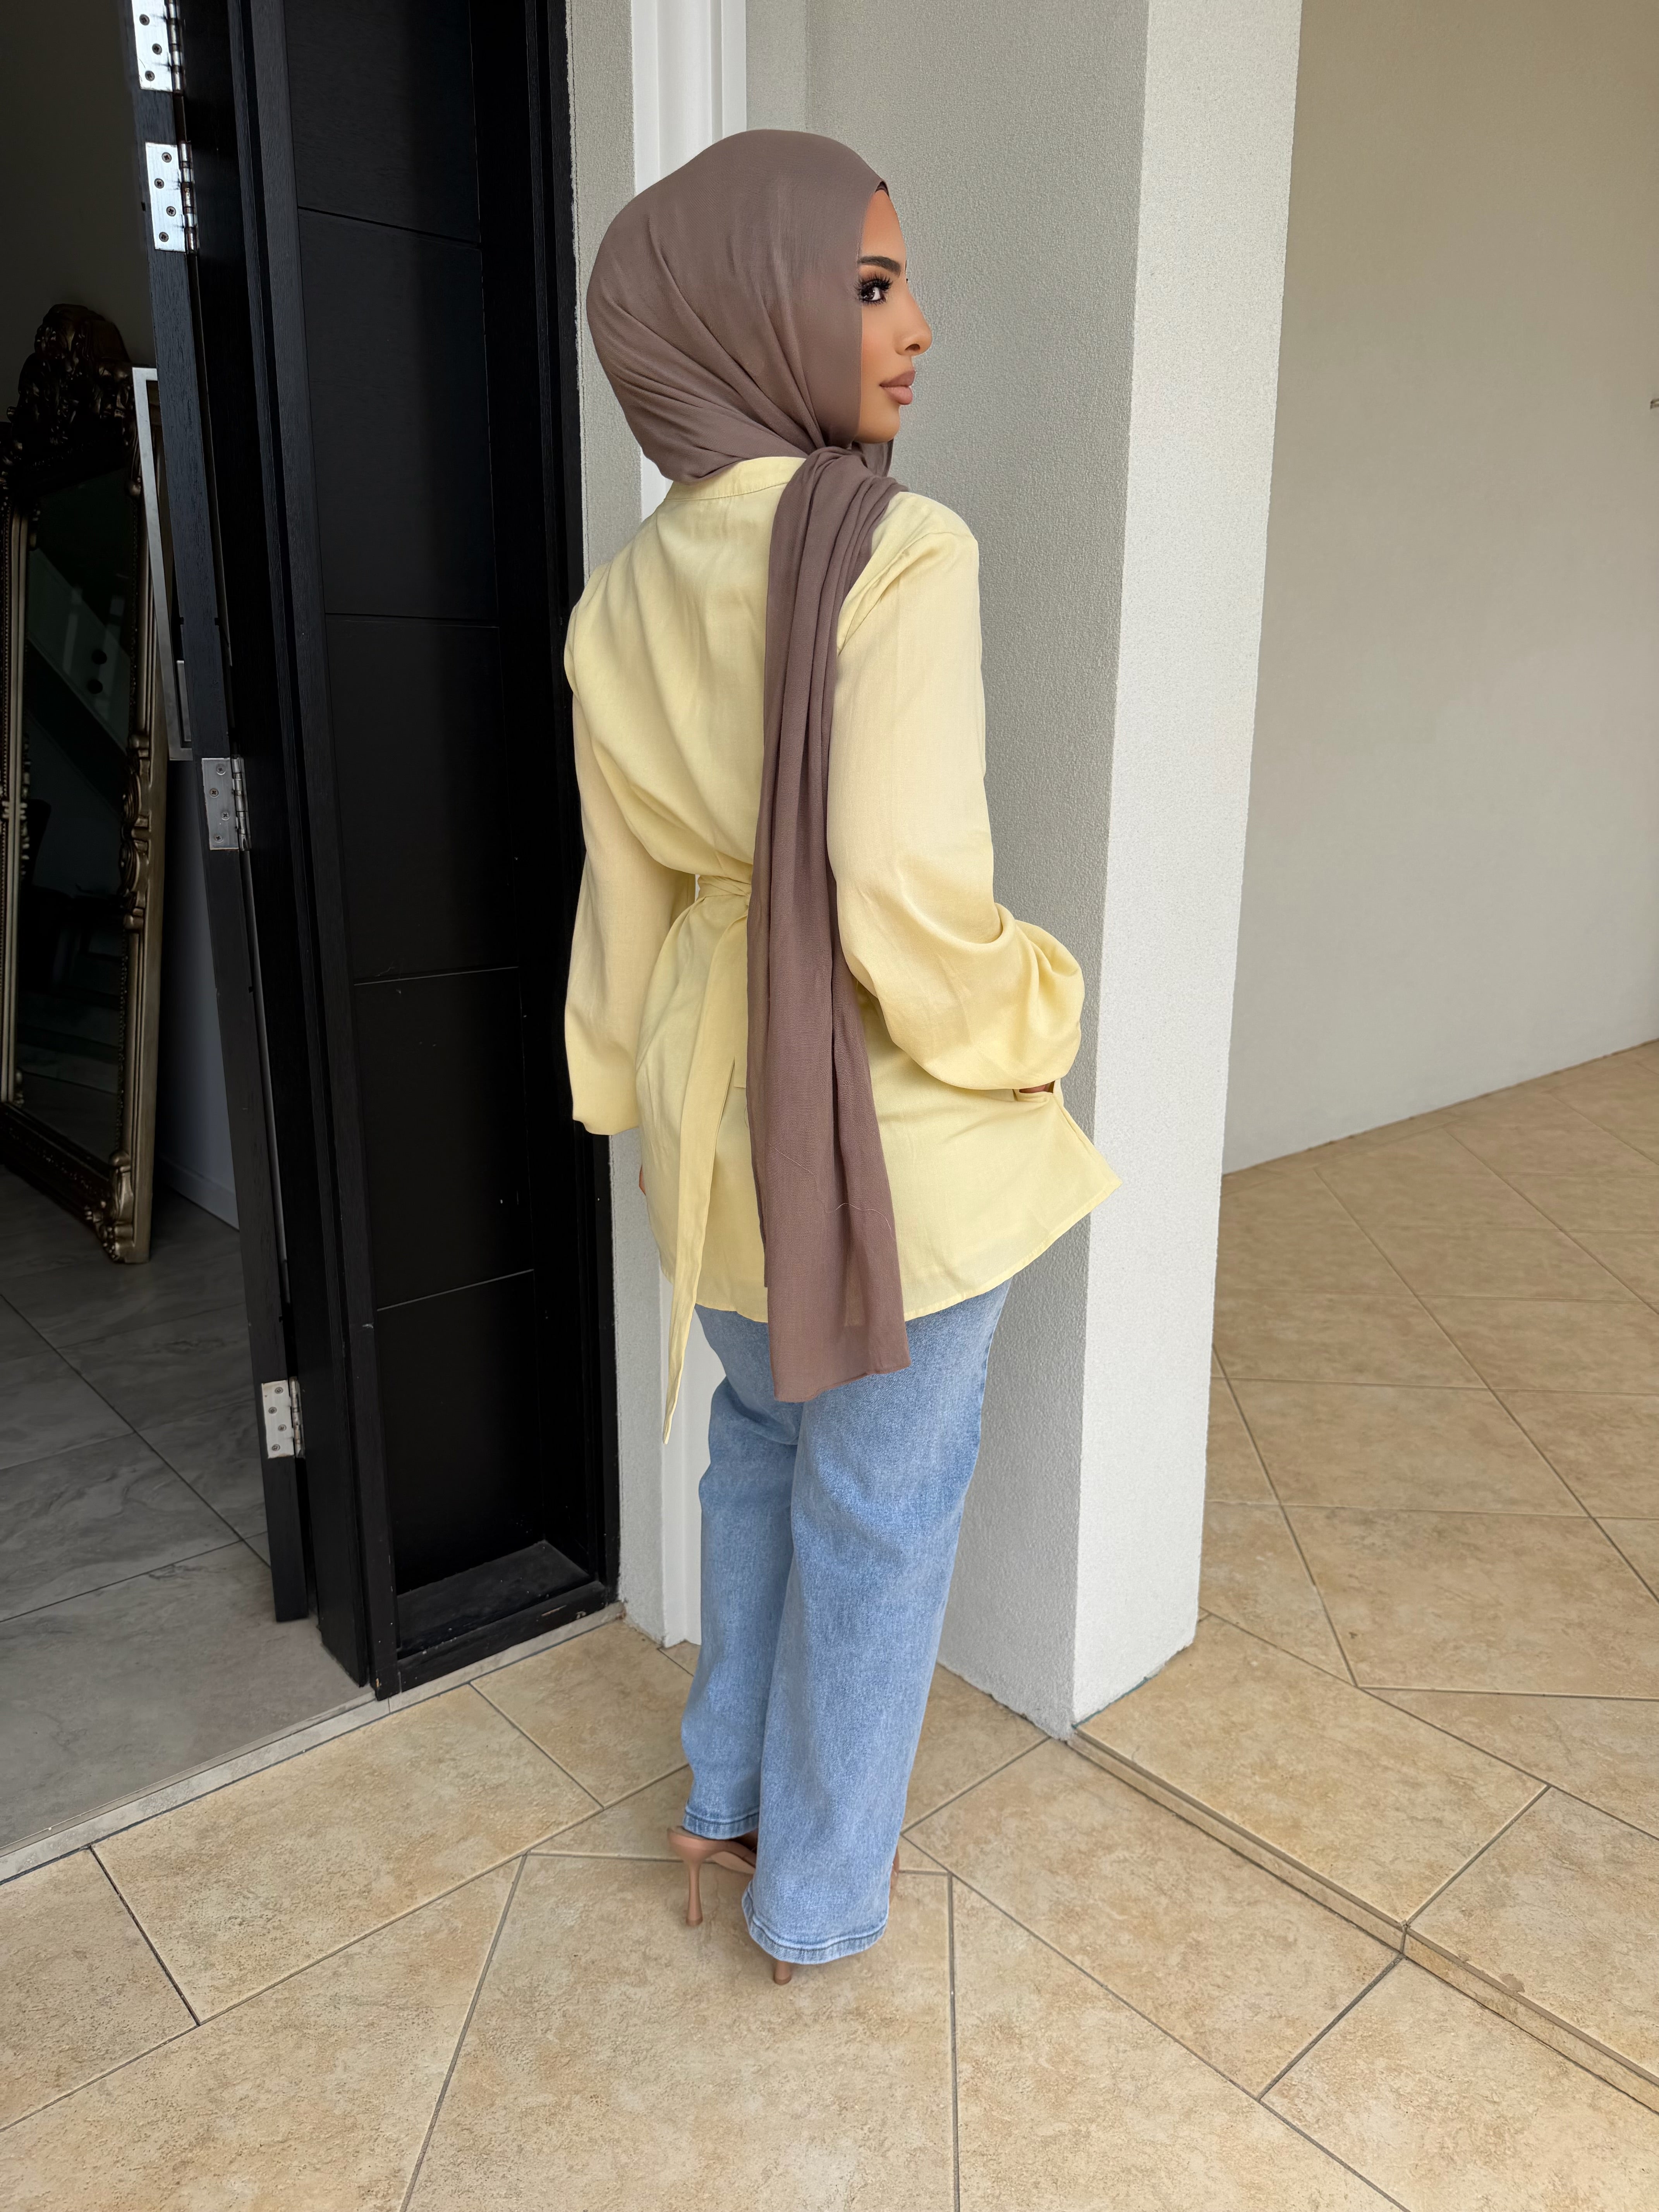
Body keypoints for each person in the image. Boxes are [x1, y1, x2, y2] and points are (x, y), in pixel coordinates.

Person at [565, 130, 1117, 1983]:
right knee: (875, 1512)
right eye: (872, 285)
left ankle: (723, 1804)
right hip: (879, 1127)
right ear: (753, 310)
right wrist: (1038, 1010)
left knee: (756, 1453)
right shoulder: (899, 546)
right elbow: (897, 893)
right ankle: (812, 1903)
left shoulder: (621, 599)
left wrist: (622, 1096)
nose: (918, 325)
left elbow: (625, 904)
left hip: (706, 1113)